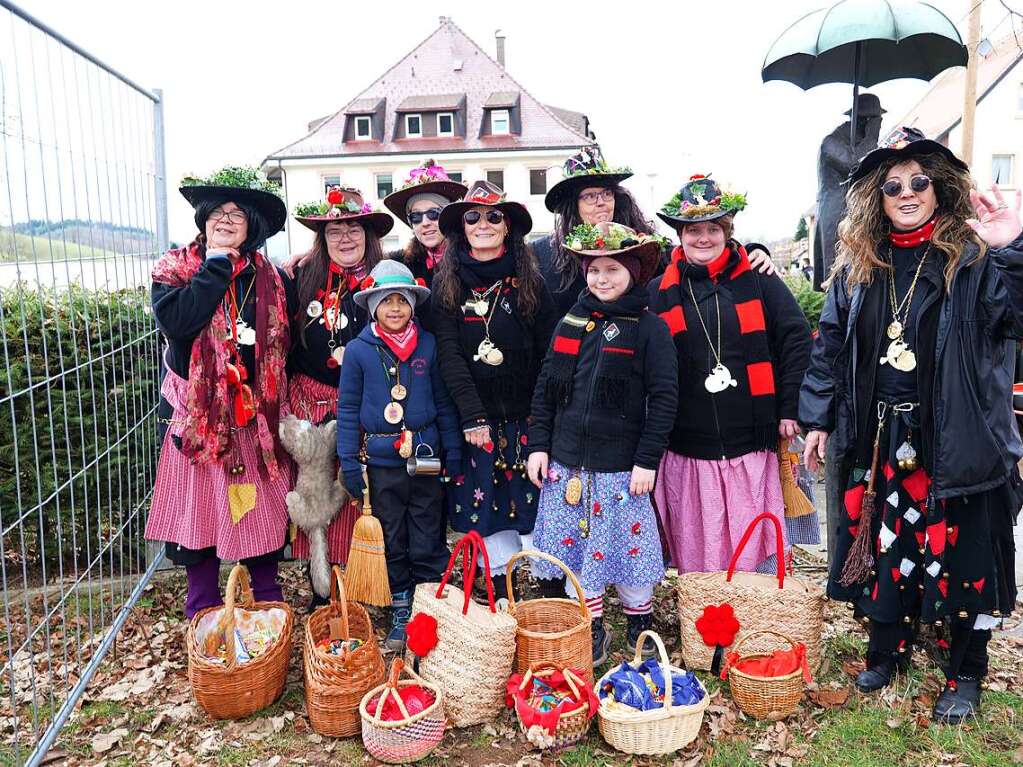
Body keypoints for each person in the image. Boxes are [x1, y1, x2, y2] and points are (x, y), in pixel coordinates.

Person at [800, 127, 1023, 723]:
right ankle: (887, 647)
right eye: (893, 184)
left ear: (939, 188)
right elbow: (828, 350)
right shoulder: (859, 268)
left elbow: (1014, 312)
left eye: (919, 181)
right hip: (879, 435)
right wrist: (817, 419)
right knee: (885, 545)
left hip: (957, 439)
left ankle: (965, 669)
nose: (907, 192)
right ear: (876, 195)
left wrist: (1014, 244)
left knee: (963, 553)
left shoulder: (973, 259)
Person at [146, 166, 296, 617]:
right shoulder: (175, 270)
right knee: (201, 510)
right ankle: (204, 608)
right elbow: (180, 322)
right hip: (197, 415)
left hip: (255, 412)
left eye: (237, 214)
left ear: (252, 226)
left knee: (259, 508)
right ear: (204, 218)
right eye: (218, 212)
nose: (226, 220)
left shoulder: (274, 279)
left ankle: (268, 602)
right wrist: (216, 266)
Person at [527, 223, 678, 665]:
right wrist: (540, 445)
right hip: (567, 462)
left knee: (627, 549)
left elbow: (665, 397)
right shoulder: (571, 321)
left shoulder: (649, 329)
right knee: (573, 547)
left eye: (612, 269)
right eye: (594, 270)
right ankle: (589, 624)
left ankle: (638, 620)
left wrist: (647, 460)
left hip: (621, 468)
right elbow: (546, 387)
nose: (601, 279)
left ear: (632, 272)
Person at [649, 174, 812, 576]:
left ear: (727, 231)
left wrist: (791, 407)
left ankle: (754, 614)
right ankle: (706, 618)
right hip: (688, 446)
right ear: (680, 235)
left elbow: (796, 339)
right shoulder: (657, 291)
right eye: (693, 230)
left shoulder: (760, 279)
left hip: (750, 442)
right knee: (698, 544)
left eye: (712, 229)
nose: (703, 238)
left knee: (752, 540)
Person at [430, 180, 559, 602]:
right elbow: (449, 354)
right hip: (477, 425)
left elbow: (547, 356)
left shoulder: (531, 280)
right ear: (461, 228)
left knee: (535, 514)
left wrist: (542, 419)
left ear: (508, 228)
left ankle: (547, 606)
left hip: (527, 420)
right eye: (472, 217)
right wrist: (472, 415)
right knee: (486, 512)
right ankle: (502, 601)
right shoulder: (446, 283)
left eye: (493, 217)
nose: (482, 224)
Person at [337, 260, 461, 651]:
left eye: (402, 301)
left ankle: (430, 604)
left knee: (428, 530)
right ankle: (401, 604)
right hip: (382, 462)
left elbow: (442, 400)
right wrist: (348, 462)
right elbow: (347, 409)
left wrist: (452, 447)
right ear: (373, 306)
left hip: (425, 455)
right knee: (392, 534)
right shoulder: (358, 351)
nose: (395, 308)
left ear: (412, 304)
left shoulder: (427, 344)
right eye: (386, 301)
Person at [286, 186, 392, 607]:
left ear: (368, 233)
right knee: (316, 491)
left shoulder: (386, 277)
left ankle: (362, 582)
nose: (345, 238)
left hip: (368, 400)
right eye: (335, 231)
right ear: (322, 237)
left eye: (353, 229)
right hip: (312, 400)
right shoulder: (300, 278)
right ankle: (321, 586)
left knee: (358, 488)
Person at [535, 147, 778, 315]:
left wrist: (750, 251)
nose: (601, 202)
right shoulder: (542, 254)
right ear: (572, 205)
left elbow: (693, 254)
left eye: (607, 194)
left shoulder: (642, 243)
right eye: (590, 196)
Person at [813, 93, 885, 291]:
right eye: (875, 121)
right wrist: (872, 137)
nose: (878, 126)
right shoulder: (831, 143)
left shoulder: (860, 143)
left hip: (857, 213)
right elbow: (856, 165)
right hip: (837, 215)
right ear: (863, 120)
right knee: (838, 279)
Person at [382, 159, 468, 287]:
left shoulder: (471, 258)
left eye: (434, 213)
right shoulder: (401, 264)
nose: (425, 222)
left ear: (447, 217)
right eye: (416, 216)